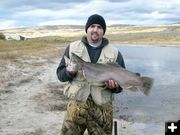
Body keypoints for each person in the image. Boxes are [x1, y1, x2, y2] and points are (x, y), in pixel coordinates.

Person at [56, 14, 125, 135]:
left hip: (102, 110)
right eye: (92, 26)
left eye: (99, 27)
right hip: (76, 108)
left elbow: (121, 84)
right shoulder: (72, 48)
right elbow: (60, 75)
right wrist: (69, 72)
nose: (95, 30)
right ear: (87, 29)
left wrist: (115, 87)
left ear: (103, 31)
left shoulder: (115, 53)